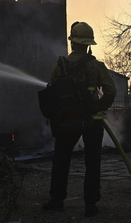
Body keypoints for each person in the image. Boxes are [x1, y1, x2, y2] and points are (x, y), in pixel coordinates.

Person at [42, 21, 117, 217]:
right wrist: (99, 107)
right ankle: (90, 205)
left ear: (73, 43)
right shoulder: (96, 66)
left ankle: (57, 200)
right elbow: (111, 90)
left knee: (61, 160)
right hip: (92, 122)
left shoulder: (61, 66)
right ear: (88, 44)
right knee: (92, 163)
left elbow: (53, 91)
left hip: (67, 122)